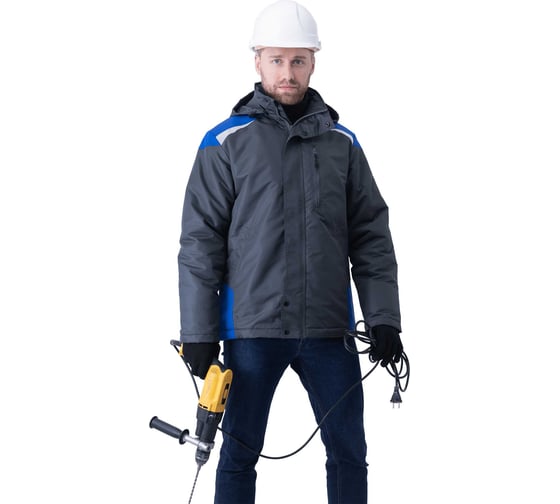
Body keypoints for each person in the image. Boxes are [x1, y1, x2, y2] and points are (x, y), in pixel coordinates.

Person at [177, 1, 403, 502]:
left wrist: (384, 317)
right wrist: (198, 333)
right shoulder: (225, 142)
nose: (287, 72)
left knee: (349, 452)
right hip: (252, 331)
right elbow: (200, 244)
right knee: (239, 453)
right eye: (277, 60)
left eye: (298, 60)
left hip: (329, 331)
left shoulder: (343, 144)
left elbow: (371, 235)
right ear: (257, 60)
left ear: (313, 62)